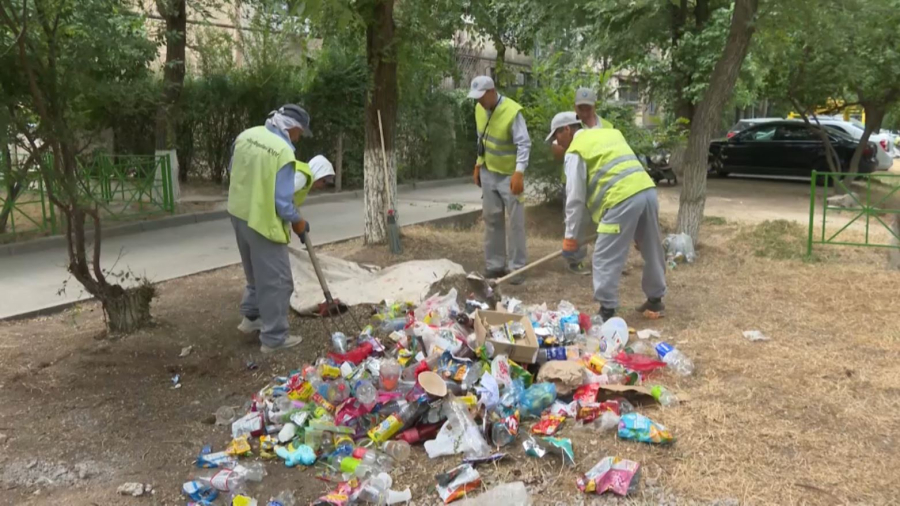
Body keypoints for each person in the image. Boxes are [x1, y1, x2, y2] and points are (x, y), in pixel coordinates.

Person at [228, 104, 332, 354]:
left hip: (239, 213)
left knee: (255, 274)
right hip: (263, 221)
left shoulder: (247, 136)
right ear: (292, 127)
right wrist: (297, 221)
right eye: (300, 132)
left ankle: (252, 318)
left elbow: (233, 171)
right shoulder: (283, 152)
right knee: (278, 282)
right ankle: (274, 338)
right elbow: (283, 203)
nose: (298, 138)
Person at [546, 111, 666, 321]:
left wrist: (570, 237)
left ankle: (607, 310)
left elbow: (575, 199)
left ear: (567, 129)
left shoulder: (576, 151)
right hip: (646, 190)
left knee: (603, 256)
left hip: (621, 198)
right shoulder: (609, 133)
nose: (556, 142)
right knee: (651, 247)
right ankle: (655, 298)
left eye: (556, 135)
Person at [468, 75, 531, 282]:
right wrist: (478, 163)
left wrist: (519, 172)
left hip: (510, 176)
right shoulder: (479, 109)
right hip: (488, 172)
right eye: (476, 97)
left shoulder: (512, 112)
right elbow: (481, 138)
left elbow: (524, 144)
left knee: (515, 222)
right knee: (492, 219)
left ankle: (517, 269)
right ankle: (494, 265)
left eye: (482, 96)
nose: (479, 101)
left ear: (492, 92)